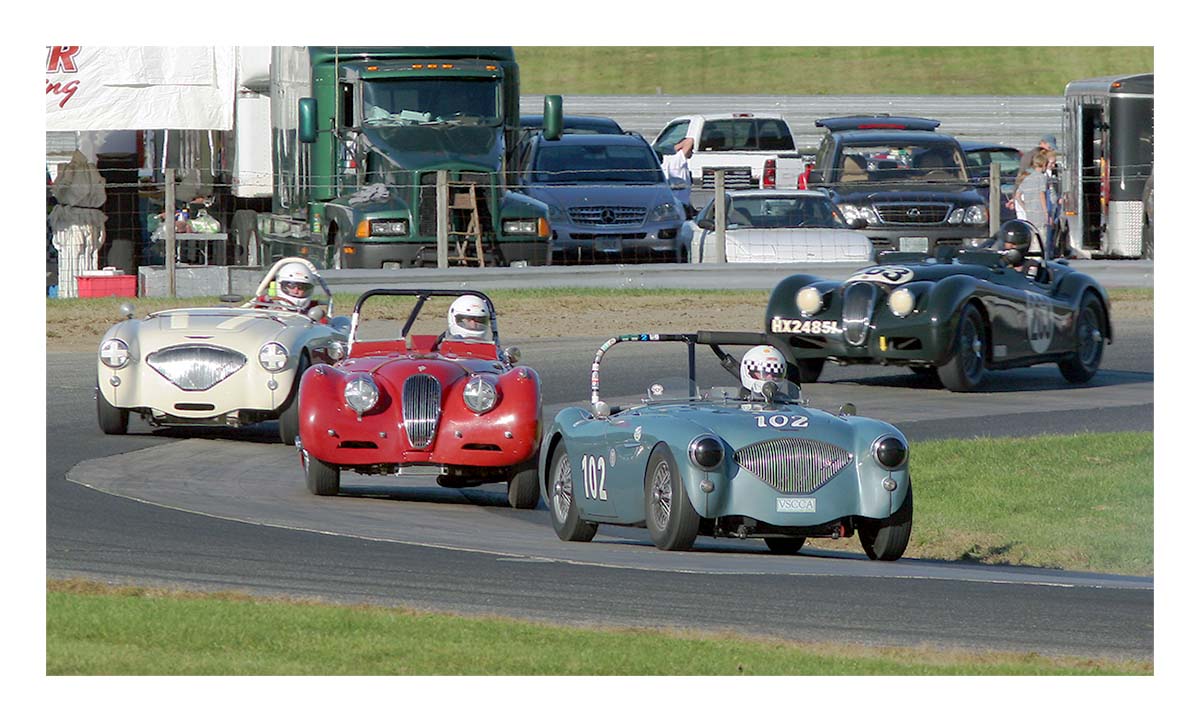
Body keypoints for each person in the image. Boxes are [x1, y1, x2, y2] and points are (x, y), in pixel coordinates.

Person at [255, 261, 322, 315]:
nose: (296, 291)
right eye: (291, 286)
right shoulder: (268, 306)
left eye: (301, 287)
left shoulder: (312, 311)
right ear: (281, 285)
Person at [1015, 152, 1051, 249]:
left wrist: (1025, 206)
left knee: (1032, 238)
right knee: (1042, 240)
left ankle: (1032, 258)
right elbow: (1041, 194)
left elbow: (1017, 195)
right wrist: (1046, 211)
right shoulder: (1041, 178)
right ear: (1043, 165)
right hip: (1040, 213)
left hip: (1030, 214)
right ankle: (1039, 260)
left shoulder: (1027, 178)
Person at [661, 136, 695, 217]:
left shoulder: (675, 160)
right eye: (691, 150)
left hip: (682, 202)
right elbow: (690, 140)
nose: (692, 152)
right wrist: (676, 147)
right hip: (680, 203)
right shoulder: (678, 159)